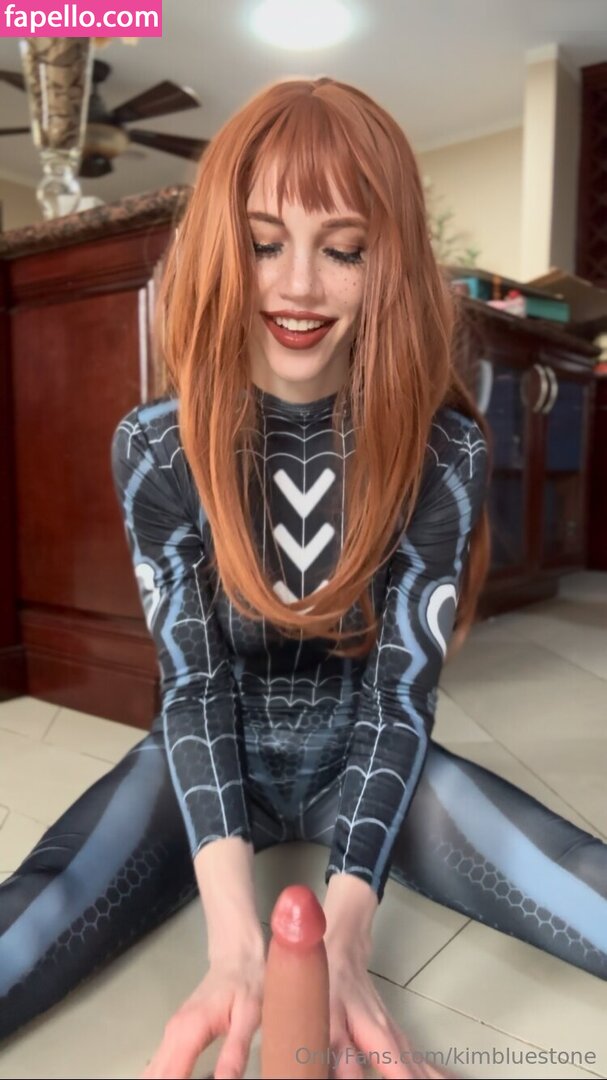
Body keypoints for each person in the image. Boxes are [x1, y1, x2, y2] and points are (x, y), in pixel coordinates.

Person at [0, 77, 605, 1080]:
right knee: (40, 905)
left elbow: (399, 700)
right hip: (205, 759)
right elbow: (193, 689)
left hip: (365, 756)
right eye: (263, 242)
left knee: (581, 881)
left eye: (343, 249)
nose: (297, 287)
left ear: (388, 261)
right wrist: (236, 943)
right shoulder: (155, 447)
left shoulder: (442, 453)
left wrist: (344, 941)